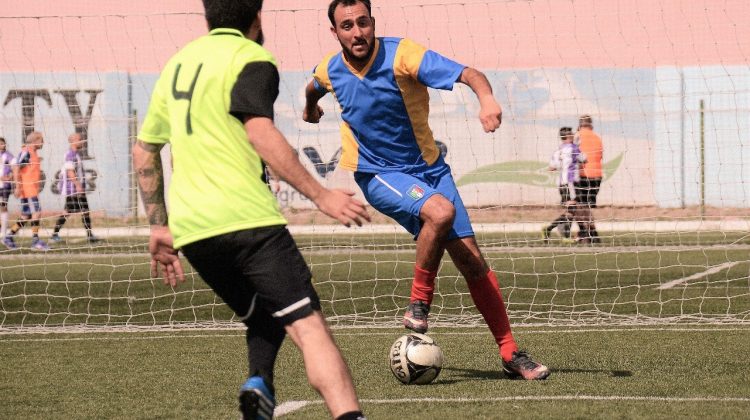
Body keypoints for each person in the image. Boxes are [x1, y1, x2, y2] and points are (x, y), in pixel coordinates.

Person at [133, 1, 369, 419]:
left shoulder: (178, 64)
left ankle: (259, 382)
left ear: (208, 18)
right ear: (257, 19)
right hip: (249, 222)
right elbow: (259, 130)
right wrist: (321, 195)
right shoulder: (253, 58)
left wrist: (159, 226)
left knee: (264, 316)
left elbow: (145, 149)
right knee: (310, 328)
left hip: (194, 233)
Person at [303, 0, 549, 380]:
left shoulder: (404, 54)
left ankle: (510, 352)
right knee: (440, 212)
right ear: (335, 32)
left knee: (472, 261)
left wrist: (486, 99)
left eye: (363, 23)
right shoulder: (330, 68)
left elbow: (470, 73)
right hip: (377, 174)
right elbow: (314, 85)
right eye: (347, 26)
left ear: (373, 23)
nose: (357, 32)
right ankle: (419, 303)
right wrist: (309, 108)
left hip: (432, 171)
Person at [50, 133, 100, 244]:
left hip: (75, 188)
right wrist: (78, 185)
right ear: (73, 141)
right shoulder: (70, 155)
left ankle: (90, 235)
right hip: (73, 189)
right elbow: (70, 172)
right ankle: (54, 235)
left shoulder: (75, 154)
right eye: (80, 139)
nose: (82, 141)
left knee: (83, 211)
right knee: (71, 211)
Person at [4, 131, 49, 251]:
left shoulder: (32, 153)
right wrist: (17, 187)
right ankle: (35, 241)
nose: (43, 142)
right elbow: (17, 168)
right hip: (27, 189)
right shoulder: (26, 152)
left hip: (31, 188)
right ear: (36, 141)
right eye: (41, 140)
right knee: (37, 212)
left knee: (26, 215)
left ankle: (9, 237)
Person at [542, 127, 587, 243]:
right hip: (571, 183)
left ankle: (551, 230)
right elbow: (584, 159)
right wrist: (578, 145)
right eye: (571, 134)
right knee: (573, 209)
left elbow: (552, 167)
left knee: (571, 210)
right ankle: (563, 234)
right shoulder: (574, 148)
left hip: (561, 183)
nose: (573, 135)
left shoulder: (558, 151)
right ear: (568, 137)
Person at [575, 114, 602, 243]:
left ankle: (585, 234)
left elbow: (573, 152)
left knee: (578, 206)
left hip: (583, 175)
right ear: (591, 125)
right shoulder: (597, 137)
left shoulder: (578, 136)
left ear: (580, 124)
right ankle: (593, 234)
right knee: (586, 206)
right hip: (597, 176)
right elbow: (600, 156)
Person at [0, 137, 13, 242]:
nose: (2, 146)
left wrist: (10, 177)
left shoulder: (9, 155)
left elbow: (15, 168)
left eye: (3, 144)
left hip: (5, 186)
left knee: (3, 206)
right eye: (0, 144)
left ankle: (3, 233)